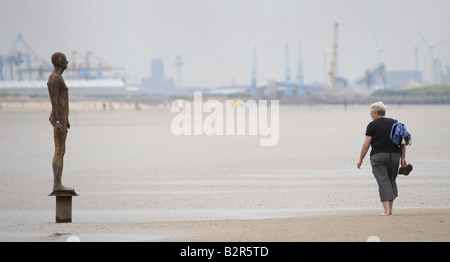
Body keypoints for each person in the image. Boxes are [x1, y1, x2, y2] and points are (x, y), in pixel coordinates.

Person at [357, 101, 407, 216]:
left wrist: (360, 159)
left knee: (383, 181)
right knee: (391, 180)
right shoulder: (395, 123)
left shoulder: (372, 125)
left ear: (376, 113)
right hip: (395, 155)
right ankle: (390, 209)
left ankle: (386, 211)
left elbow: (366, 145)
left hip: (378, 156)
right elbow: (403, 141)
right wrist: (403, 157)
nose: (371, 115)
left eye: (371, 113)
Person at [48, 52, 75, 193]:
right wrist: (57, 119)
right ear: (58, 61)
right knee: (59, 150)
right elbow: (55, 101)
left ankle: (58, 183)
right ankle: (57, 184)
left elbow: (61, 101)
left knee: (61, 150)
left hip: (62, 119)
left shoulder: (58, 78)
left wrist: (66, 119)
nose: (67, 62)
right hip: (59, 120)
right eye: (64, 60)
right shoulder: (56, 79)